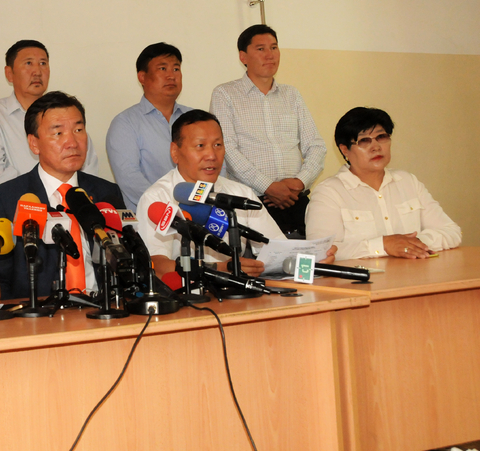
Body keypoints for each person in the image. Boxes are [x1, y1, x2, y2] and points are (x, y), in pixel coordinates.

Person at [137, 110, 336, 278]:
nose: (212, 155)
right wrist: (220, 269)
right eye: (200, 146)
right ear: (175, 152)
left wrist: (313, 264)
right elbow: (156, 265)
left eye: (218, 145)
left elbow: (277, 250)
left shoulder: (239, 194)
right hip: (185, 299)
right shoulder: (156, 198)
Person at [0, 91, 124, 300]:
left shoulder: (107, 193)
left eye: (78, 130)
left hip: (103, 307)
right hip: (39, 313)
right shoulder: (4, 199)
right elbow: (0, 282)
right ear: (34, 143)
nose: (72, 142)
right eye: (58, 133)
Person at [210, 25, 326, 237]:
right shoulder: (225, 94)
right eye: (261, 49)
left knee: (309, 256)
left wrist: (300, 182)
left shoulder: (291, 95)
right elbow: (227, 149)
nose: (270, 54)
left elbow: (316, 146)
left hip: (296, 200)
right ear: (243, 56)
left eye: (274, 47)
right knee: (259, 258)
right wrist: (268, 186)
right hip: (252, 203)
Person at [306, 107, 461, 260]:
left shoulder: (408, 181)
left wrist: (412, 244)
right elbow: (321, 251)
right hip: (362, 276)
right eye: (364, 141)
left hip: (414, 273)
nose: (376, 147)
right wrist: (383, 245)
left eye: (381, 137)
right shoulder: (329, 192)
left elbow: (451, 231)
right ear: (345, 150)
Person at [0, 40, 98, 188]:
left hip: (72, 197)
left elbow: (88, 167)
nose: (37, 72)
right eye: (28, 63)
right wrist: (45, 196)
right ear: (9, 73)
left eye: (43, 63)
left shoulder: (66, 111)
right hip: (21, 200)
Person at [106, 42, 192, 213]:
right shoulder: (125, 123)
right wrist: (176, 209)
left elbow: (215, 164)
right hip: (151, 219)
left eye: (176, 69)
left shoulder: (195, 119)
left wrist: (203, 204)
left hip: (200, 215)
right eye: (162, 69)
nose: (171, 76)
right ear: (142, 77)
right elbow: (130, 179)